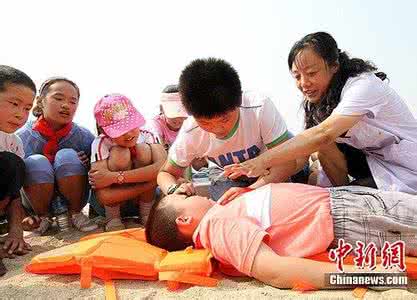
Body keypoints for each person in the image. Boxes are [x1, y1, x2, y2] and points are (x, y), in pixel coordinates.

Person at [225, 32, 417, 194]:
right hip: (376, 164)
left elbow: (323, 135)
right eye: (297, 76)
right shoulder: (320, 104)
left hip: (407, 168)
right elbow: (305, 153)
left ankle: (351, 196)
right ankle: (345, 192)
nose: (304, 83)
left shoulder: (363, 86)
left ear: (334, 65)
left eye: (311, 73)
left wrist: (261, 161)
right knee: (323, 149)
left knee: (321, 139)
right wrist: (253, 189)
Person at [146, 182, 417, 289]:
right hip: (350, 216)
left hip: (347, 207)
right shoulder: (216, 227)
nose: (191, 190)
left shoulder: (222, 214)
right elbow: (274, 271)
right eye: (183, 196)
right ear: (184, 220)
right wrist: (372, 275)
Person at [157, 58, 304, 201]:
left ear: (238, 102)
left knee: (277, 198)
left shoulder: (258, 107)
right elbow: (165, 174)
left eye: (224, 119)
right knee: (228, 203)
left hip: (268, 167)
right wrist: (173, 189)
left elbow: (286, 163)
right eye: (205, 123)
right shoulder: (191, 131)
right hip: (225, 176)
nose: (217, 128)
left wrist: (250, 191)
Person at [17, 77, 98, 234]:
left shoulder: (84, 136)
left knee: (67, 156)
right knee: (35, 162)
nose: (66, 105)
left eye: (73, 102)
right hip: (34, 202)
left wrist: (87, 164)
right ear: (40, 101)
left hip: (75, 199)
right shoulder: (22, 136)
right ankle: (42, 217)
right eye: (58, 98)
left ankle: (75, 214)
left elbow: (100, 170)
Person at [88, 94, 166, 230]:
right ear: (104, 131)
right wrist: (152, 181)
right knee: (120, 153)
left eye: (131, 126)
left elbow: (162, 167)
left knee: (143, 150)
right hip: (113, 203)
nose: (129, 134)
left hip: (144, 200)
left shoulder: (148, 135)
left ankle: (146, 214)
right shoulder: (101, 142)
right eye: (120, 130)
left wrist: (114, 177)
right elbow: (104, 195)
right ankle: (113, 217)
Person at [0, 65, 35, 275]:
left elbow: (14, 193)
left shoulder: (14, 141)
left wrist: (16, 231)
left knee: (13, 163)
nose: (20, 114)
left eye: (27, 108)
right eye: (14, 104)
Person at [147, 84, 188, 151]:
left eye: (181, 110)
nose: (177, 117)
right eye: (172, 110)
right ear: (162, 109)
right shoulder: (156, 124)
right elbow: (159, 149)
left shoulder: (190, 124)